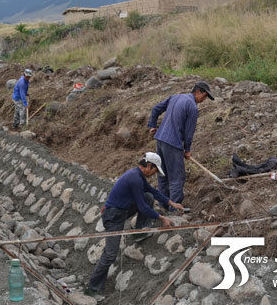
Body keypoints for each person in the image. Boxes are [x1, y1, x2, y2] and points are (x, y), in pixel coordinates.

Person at [85, 152, 185, 300]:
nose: (154, 174)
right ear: (149, 166)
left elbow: (153, 191)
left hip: (121, 210)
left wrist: (171, 203)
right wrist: (161, 217)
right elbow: (143, 207)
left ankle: (139, 232)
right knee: (110, 254)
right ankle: (91, 289)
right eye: (155, 171)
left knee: (148, 196)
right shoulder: (135, 179)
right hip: (113, 217)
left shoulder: (137, 175)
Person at [147, 81, 214, 209]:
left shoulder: (176, 97)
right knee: (177, 177)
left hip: (160, 140)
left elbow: (156, 108)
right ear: (198, 91)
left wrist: (152, 125)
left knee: (163, 174)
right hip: (172, 143)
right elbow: (189, 133)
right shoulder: (192, 107)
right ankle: (174, 209)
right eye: (204, 96)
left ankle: (163, 205)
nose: (204, 100)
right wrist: (187, 150)